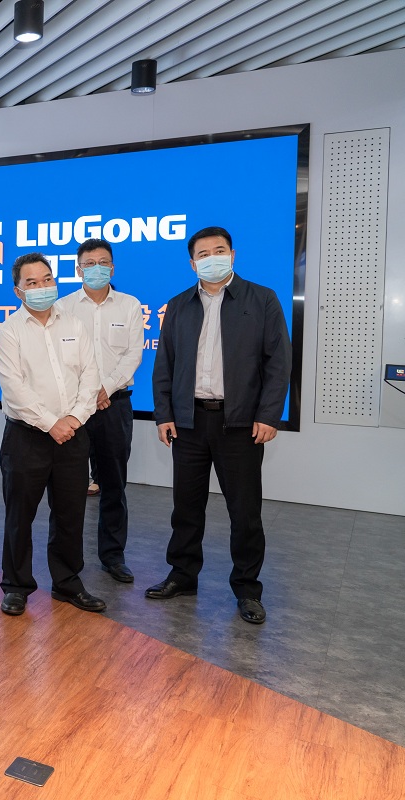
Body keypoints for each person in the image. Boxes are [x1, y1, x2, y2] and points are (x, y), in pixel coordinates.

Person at [148, 226, 290, 625]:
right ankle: (182, 575)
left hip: (240, 424)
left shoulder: (262, 299)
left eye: (219, 250)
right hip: (189, 422)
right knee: (186, 507)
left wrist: (268, 415)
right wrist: (164, 414)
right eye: (203, 254)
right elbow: (165, 365)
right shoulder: (179, 305)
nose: (212, 258)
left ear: (233, 254)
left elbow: (278, 363)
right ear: (192, 263)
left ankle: (247, 589)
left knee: (245, 513)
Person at [0, 253, 106, 618]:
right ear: (18, 291)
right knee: (19, 516)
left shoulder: (74, 324)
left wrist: (74, 418)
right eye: (32, 282)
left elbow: (90, 376)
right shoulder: (9, 332)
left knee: (70, 514)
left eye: (46, 279)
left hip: (73, 434)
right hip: (25, 438)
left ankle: (68, 582)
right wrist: (51, 423)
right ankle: (16, 586)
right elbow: (14, 389)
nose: (42, 287)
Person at [55, 238, 144, 583]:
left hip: (114, 406)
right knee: (68, 487)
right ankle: (68, 559)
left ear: (113, 267)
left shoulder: (129, 305)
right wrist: (89, 394)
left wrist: (103, 388)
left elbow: (133, 354)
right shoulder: (62, 307)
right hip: (73, 409)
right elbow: (61, 359)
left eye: (103, 262)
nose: (97, 268)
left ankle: (113, 556)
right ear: (78, 270)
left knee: (113, 484)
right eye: (89, 263)